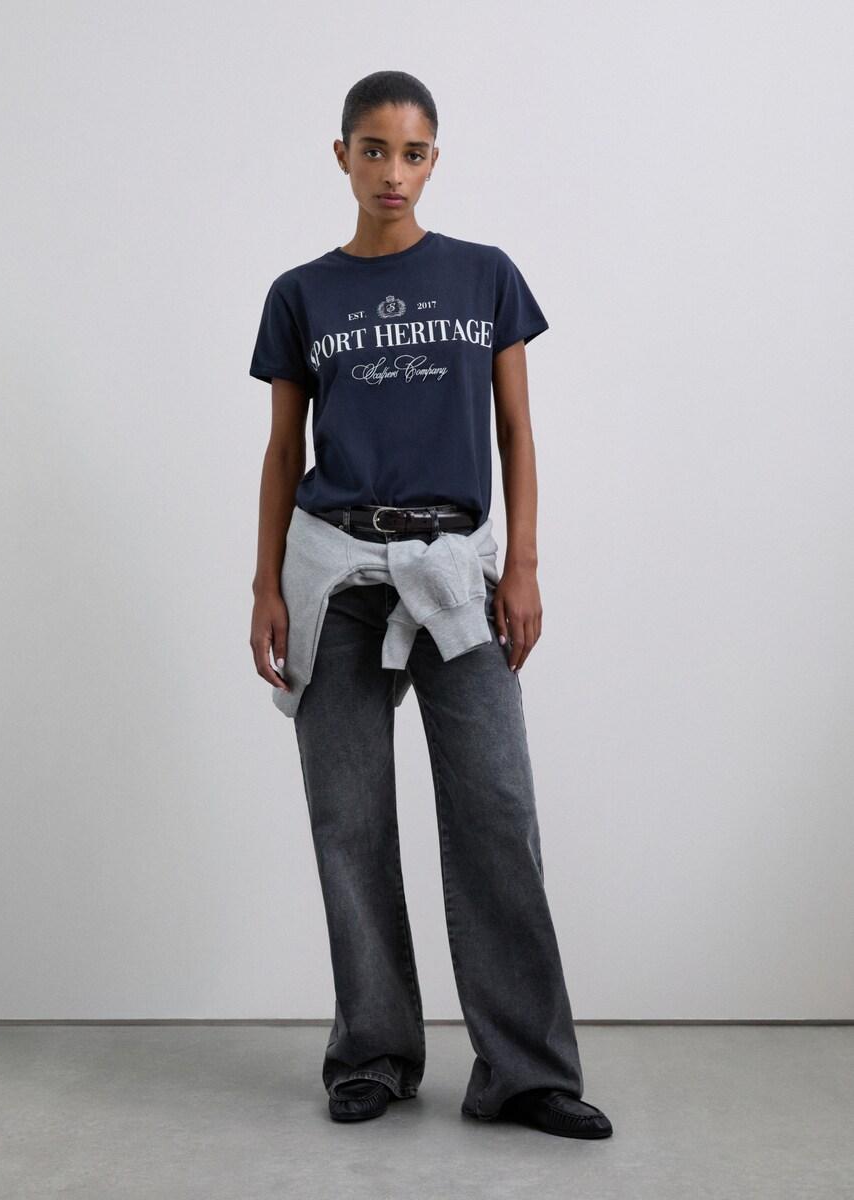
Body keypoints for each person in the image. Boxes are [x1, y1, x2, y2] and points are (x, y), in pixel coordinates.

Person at [247, 69, 612, 1140]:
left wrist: (523, 566)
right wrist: (264, 584)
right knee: (349, 822)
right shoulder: (301, 294)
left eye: (412, 153)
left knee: (497, 810)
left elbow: (518, 433)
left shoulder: (484, 275)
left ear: (434, 160)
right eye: (373, 150)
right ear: (342, 156)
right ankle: (373, 1053)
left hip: (456, 571)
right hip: (334, 575)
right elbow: (282, 451)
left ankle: (525, 1073)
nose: (392, 172)